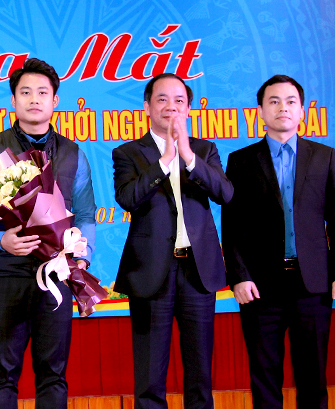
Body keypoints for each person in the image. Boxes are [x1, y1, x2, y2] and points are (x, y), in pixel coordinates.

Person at [0, 58, 96, 409]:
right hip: (4, 273)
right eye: (25, 92)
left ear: (55, 100)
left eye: (42, 92)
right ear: (13, 100)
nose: (34, 99)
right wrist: (0, 239)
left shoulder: (73, 154)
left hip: (55, 275)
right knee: (3, 375)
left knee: (53, 374)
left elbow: (85, 214)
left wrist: (81, 257)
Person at [221, 75, 335, 409]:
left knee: (313, 375)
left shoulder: (323, 156)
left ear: (302, 110)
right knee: (264, 376)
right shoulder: (241, 161)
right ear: (260, 111)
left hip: (313, 284)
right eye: (274, 101)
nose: (283, 107)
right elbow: (233, 226)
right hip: (260, 286)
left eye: (291, 101)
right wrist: (239, 277)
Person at [112, 73, 234, 409]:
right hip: (152, 272)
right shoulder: (128, 152)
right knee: (150, 376)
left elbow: (225, 193)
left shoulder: (204, 149)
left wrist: (188, 156)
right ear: (147, 107)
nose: (171, 107)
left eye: (179, 100)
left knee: (200, 373)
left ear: (188, 108)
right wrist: (165, 160)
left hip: (197, 271)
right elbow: (128, 198)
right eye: (162, 99)